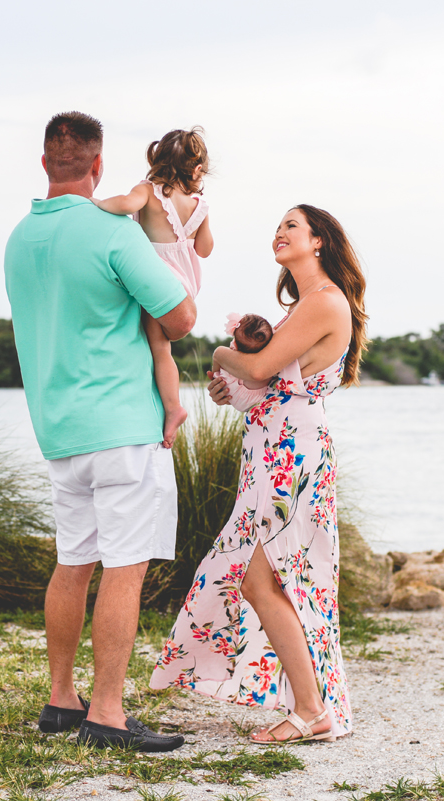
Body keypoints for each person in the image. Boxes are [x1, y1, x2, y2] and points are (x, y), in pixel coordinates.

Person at [4, 111, 197, 753]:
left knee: (72, 563)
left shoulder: (19, 238)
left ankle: (61, 700)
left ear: (44, 164)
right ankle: (108, 713)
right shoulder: (111, 231)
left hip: (59, 432)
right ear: (96, 166)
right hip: (122, 427)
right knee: (124, 568)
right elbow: (182, 316)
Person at [150, 204, 368, 745]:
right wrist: (233, 394)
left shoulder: (325, 302)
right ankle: (310, 706)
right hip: (271, 453)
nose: (280, 231)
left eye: (292, 225)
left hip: (293, 460)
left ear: (319, 241)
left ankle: (312, 709)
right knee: (274, 579)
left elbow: (261, 368)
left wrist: (224, 354)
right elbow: (266, 386)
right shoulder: (298, 307)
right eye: (279, 225)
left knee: (263, 577)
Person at [94, 127, 214, 448]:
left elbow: (123, 204)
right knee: (162, 347)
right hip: (186, 282)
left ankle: (173, 408)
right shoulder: (198, 204)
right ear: (197, 169)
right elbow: (204, 249)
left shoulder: (148, 191)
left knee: (159, 348)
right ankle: (171, 405)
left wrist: (95, 203)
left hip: (157, 277)